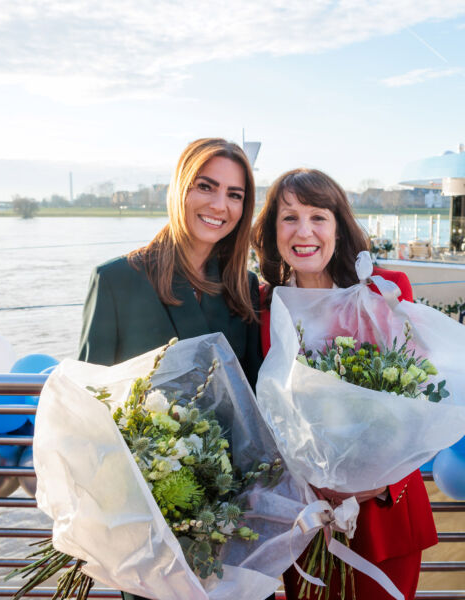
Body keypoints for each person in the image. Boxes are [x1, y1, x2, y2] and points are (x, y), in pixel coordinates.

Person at [78, 137, 268, 600]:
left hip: (232, 525)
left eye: (235, 194)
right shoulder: (118, 280)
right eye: (206, 186)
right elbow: (87, 411)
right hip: (148, 528)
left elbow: (255, 412)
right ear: (181, 188)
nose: (219, 204)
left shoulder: (244, 288)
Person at [251, 168, 438, 600]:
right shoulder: (263, 306)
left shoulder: (383, 291)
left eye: (318, 216)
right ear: (272, 230)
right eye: (289, 218)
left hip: (384, 517)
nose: (304, 232)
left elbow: (422, 401)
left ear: (339, 225)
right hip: (305, 521)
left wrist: (382, 481)